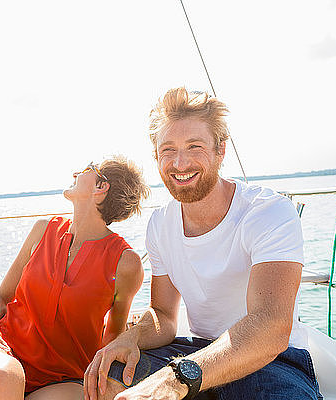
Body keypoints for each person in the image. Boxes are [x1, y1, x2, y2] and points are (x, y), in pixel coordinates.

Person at [84, 88, 322, 400]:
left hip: (271, 360)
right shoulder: (160, 225)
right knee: (109, 376)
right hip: (198, 351)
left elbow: (271, 325)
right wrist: (131, 337)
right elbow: (164, 316)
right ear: (156, 157)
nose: (179, 164)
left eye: (194, 146)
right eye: (168, 150)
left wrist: (175, 381)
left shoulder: (267, 211)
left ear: (220, 150)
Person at [0, 156, 150, 400]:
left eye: (86, 168)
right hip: (1, 355)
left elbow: (113, 335)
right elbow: (2, 296)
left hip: (64, 379)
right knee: (3, 378)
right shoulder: (42, 230)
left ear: (101, 187)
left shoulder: (125, 262)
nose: (75, 173)